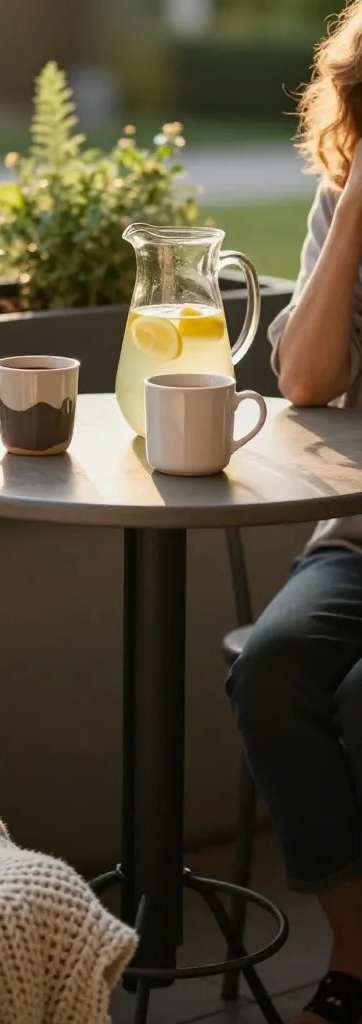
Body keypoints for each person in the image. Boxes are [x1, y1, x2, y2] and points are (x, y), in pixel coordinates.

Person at [227, 4, 362, 1024]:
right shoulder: (341, 198)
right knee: (271, 669)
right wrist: (357, 200)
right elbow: (307, 381)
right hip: (357, 538)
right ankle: (359, 956)